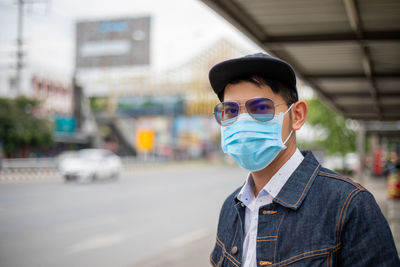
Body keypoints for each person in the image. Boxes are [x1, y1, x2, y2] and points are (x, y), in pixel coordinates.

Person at [208, 53, 400, 267]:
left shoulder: (348, 205)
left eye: (261, 108)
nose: (242, 122)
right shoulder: (230, 208)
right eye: (230, 111)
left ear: (297, 115)